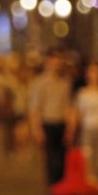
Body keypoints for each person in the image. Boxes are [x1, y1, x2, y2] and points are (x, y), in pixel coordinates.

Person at [28, 48, 74, 186]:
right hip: (47, 124)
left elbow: (68, 107)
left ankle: (60, 190)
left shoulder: (65, 83)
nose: (56, 63)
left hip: (61, 124)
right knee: (52, 162)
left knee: (62, 162)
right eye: (53, 60)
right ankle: (53, 190)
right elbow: (35, 109)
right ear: (47, 61)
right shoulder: (39, 83)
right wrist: (37, 130)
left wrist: (70, 129)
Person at [70, 61, 98, 180]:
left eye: (97, 72)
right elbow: (78, 114)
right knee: (88, 160)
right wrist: (72, 132)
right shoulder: (82, 94)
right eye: (92, 71)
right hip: (87, 130)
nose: (94, 75)